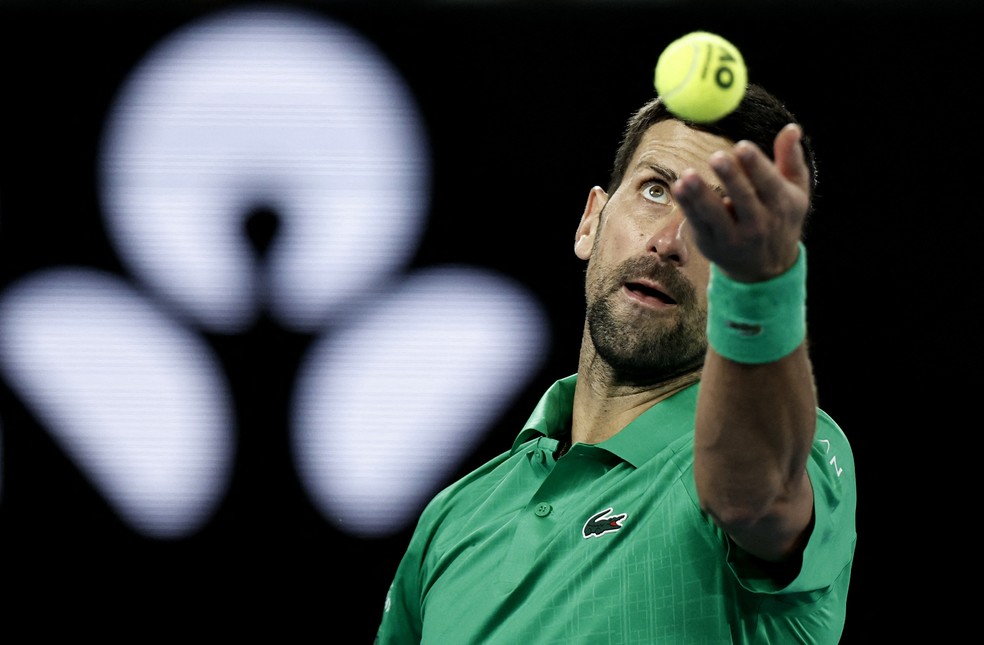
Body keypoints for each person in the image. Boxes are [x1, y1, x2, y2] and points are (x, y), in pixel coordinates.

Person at [374, 81, 857, 644]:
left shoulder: (784, 449)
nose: (669, 241)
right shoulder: (456, 517)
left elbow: (755, 499)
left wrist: (761, 287)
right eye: (656, 190)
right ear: (590, 221)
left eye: (721, 223)